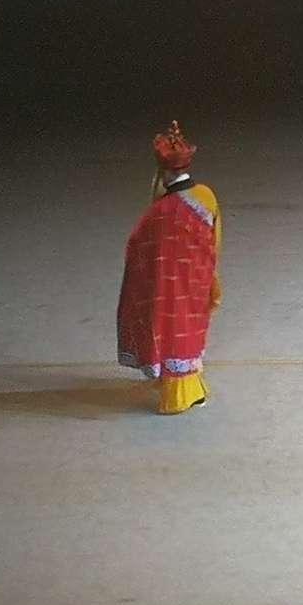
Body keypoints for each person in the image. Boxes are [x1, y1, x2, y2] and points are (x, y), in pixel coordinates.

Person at [117, 120, 223, 414]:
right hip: (197, 278)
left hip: (169, 286)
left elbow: (139, 247)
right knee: (190, 331)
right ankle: (193, 387)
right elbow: (216, 238)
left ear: (163, 172)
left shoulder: (160, 211)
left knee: (174, 332)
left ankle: (179, 396)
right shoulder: (206, 196)